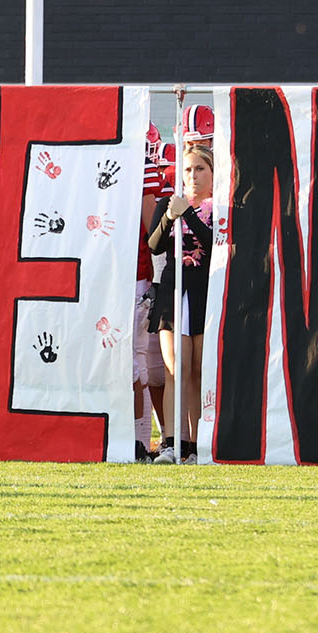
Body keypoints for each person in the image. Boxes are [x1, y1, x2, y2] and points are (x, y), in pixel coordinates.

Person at [146, 143, 216, 463]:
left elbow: (213, 245)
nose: (193, 176)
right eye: (188, 170)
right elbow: (155, 245)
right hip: (174, 291)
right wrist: (171, 215)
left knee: (199, 370)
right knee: (175, 368)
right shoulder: (168, 203)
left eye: (200, 169)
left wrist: (188, 212)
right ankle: (173, 441)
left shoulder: (219, 207)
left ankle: (198, 442)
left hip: (205, 292)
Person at [131, 128, 173, 461]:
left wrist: (157, 281)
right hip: (120, 272)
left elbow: (151, 230)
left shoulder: (145, 169)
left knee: (140, 364)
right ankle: (140, 440)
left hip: (138, 276)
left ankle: (141, 442)